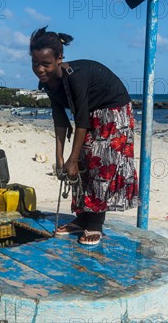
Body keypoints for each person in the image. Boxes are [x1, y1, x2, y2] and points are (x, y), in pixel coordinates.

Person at [30, 27, 139, 245]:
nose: (40, 69)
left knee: (99, 163)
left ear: (59, 58)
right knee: (80, 165)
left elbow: (81, 121)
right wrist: (61, 158)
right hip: (89, 114)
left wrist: (72, 158)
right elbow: (60, 119)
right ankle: (82, 218)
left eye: (46, 64)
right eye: (35, 63)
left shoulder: (75, 78)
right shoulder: (47, 82)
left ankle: (95, 223)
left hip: (112, 109)